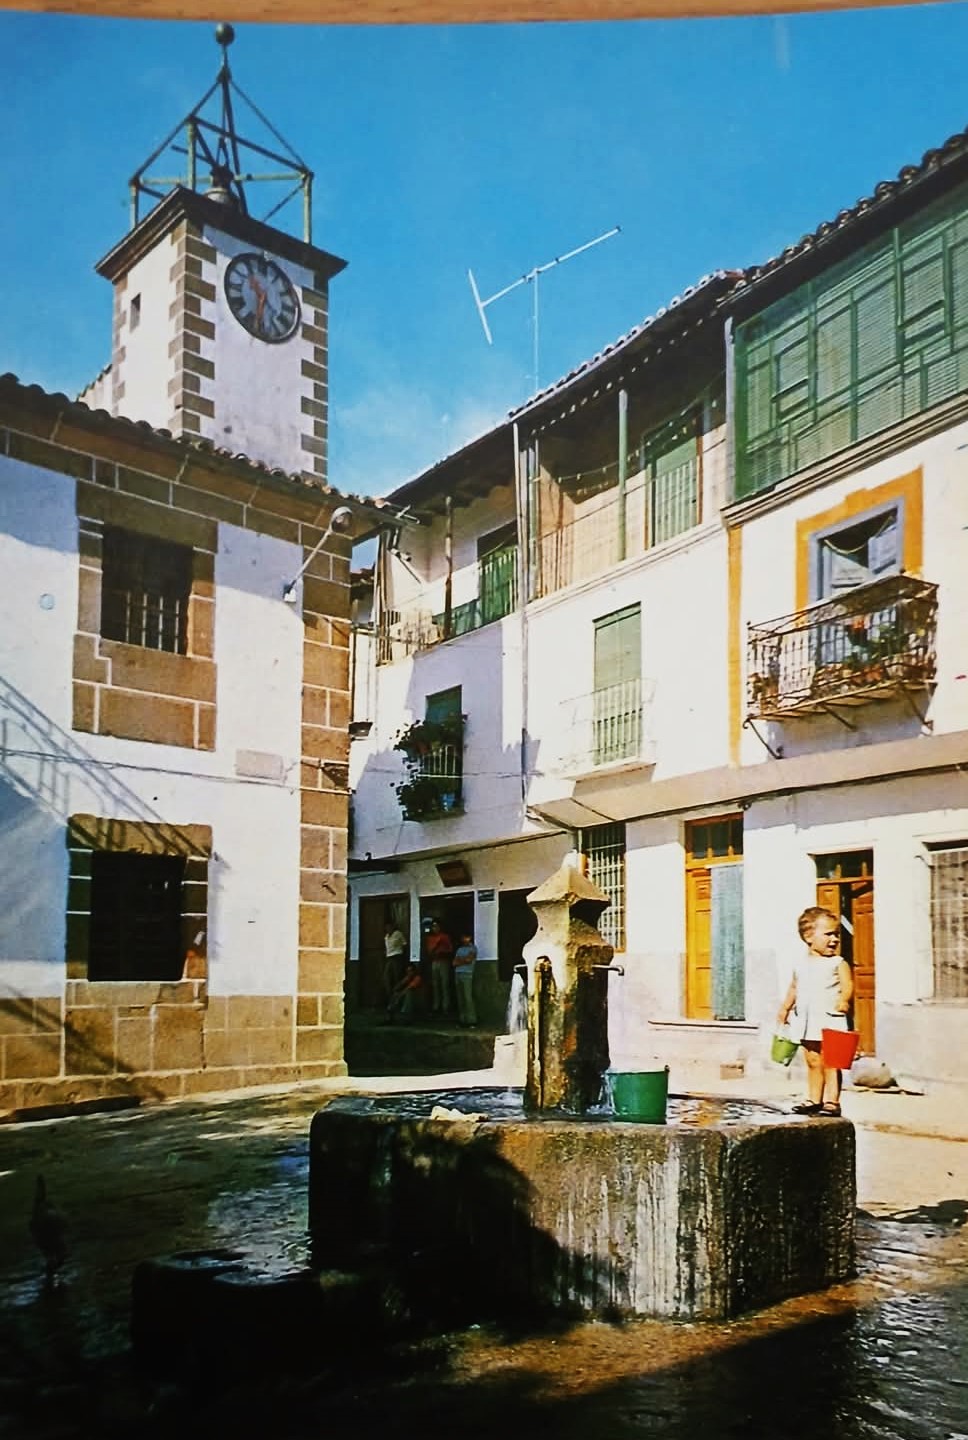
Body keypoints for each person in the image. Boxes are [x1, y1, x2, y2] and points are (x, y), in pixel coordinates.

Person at [777, 906, 854, 1117]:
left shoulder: (837, 963)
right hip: (807, 1020)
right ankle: (813, 1098)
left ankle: (832, 1101)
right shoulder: (801, 965)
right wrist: (785, 1007)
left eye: (836, 934)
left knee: (832, 1062)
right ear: (808, 937)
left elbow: (848, 985)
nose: (835, 939)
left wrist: (844, 1000)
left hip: (831, 1019)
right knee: (812, 1060)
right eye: (828, 934)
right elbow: (794, 987)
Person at [425, 919, 454, 1016]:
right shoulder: (430, 938)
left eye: (437, 926)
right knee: (436, 985)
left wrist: (443, 951)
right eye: (433, 926)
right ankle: (436, 1006)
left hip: (443, 961)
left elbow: (450, 949)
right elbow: (429, 950)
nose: (435, 928)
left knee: (444, 984)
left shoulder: (445, 937)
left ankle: (446, 1006)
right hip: (434, 962)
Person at [452, 932, 478, 1028]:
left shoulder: (473, 948)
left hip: (467, 975)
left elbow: (469, 960)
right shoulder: (459, 949)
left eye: (466, 937)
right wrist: (463, 960)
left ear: (470, 938)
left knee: (468, 997)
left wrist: (460, 960)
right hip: (458, 974)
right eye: (463, 937)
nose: (464, 939)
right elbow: (454, 963)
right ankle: (462, 1020)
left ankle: (471, 1020)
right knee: (460, 998)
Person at [382, 920, 407, 1006]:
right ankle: (390, 999)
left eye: (389, 926)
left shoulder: (398, 934)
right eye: (387, 927)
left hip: (397, 957)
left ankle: (397, 1000)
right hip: (389, 958)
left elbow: (404, 944)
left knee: (397, 978)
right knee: (387, 978)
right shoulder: (386, 937)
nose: (388, 928)